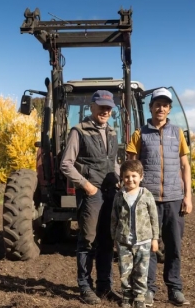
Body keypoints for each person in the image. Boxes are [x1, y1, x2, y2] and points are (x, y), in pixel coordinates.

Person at [126, 87, 193, 306]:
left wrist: (188, 196)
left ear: (169, 109)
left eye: (165, 105)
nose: (161, 108)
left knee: (173, 246)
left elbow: (185, 165)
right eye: (157, 104)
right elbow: (131, 167)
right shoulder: (139, 134)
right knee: (149, 247)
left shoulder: (178, 133)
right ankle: (149, 290)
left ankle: (175, 288)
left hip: (174, 198)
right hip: (149, 199)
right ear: (151, 107)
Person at [60, 89, 121, 305]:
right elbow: (66, 164)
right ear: (92, 107)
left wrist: (120, 178)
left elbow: (112, 161)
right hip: (92, 194)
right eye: (101, 107)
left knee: (107, 241)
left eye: (108, 108)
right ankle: (85, 286)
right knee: (87, 241)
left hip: (110, 193)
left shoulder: (112, 132)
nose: (105, 111)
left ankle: (105, 287)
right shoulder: (79, 131)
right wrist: (87, 186)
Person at [110, 159, 160, 308]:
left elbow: (154, 218)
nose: (130, 179)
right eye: (126, 176)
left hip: (143, 241)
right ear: (122, 178)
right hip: (124, 241)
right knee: (125, 271)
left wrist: (155, 239)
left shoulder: (146, 195)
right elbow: (114, 217)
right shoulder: (119, 196)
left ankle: (139, 297)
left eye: (133, 176)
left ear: (141, 177)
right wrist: (114, 237)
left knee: (141, 271)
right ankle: (126, 296)